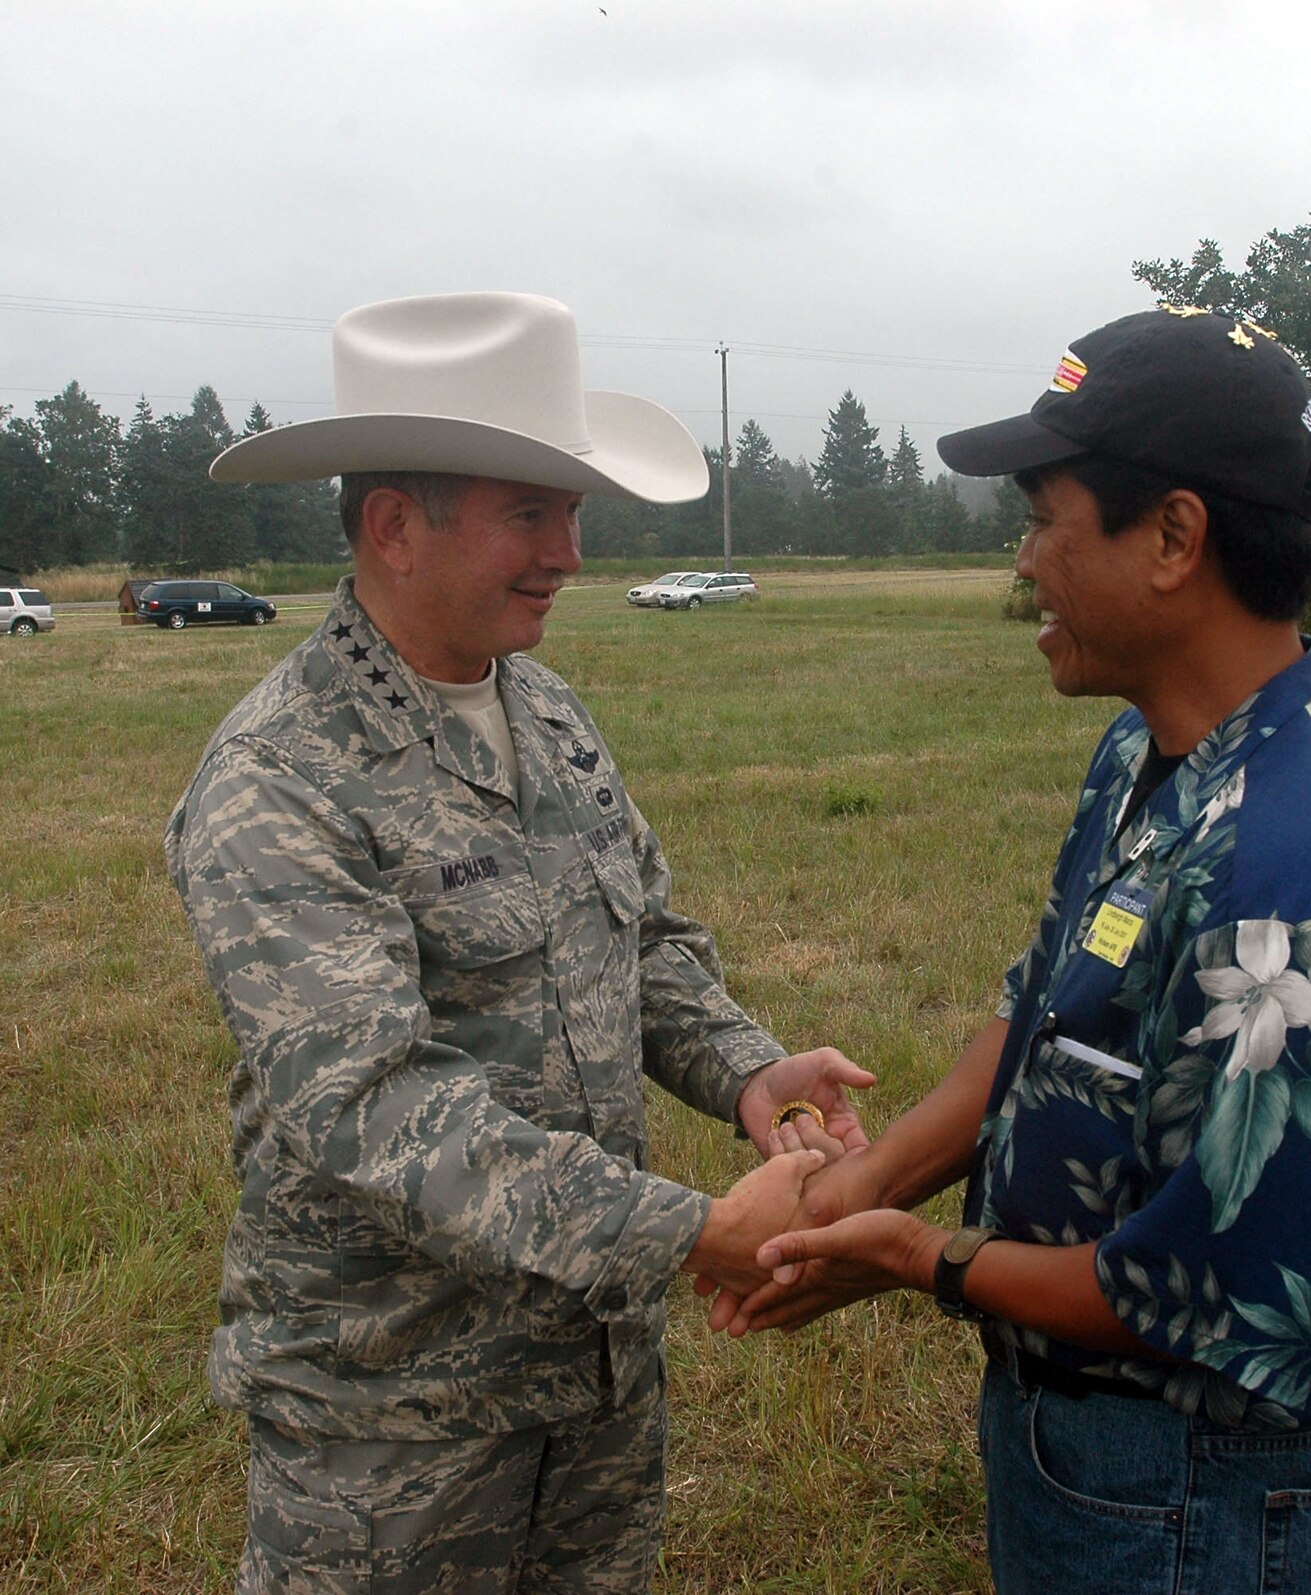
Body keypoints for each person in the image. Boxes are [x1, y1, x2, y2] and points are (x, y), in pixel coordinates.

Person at [707, 308, 1311, 1594]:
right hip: (1088, 1452)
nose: (1024, 565)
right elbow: (1041, 1017)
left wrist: (909, 1253)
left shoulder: (1288, 873)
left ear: (1172, 536)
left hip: (1195, 1487)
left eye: (1044, 519)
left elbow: (1209, 1291)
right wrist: (867, 1181)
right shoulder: (1150, 751)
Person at [167, 292, 872, 1592]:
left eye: (574, 511)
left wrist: (745, 1067)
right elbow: (372, 1107)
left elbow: (643, 938)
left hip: (592, 1386)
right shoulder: (282, 774)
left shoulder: (543, 708)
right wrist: (687, 1229)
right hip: (393, 1421)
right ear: (393, 524)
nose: (572, 552)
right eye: (531, 511)